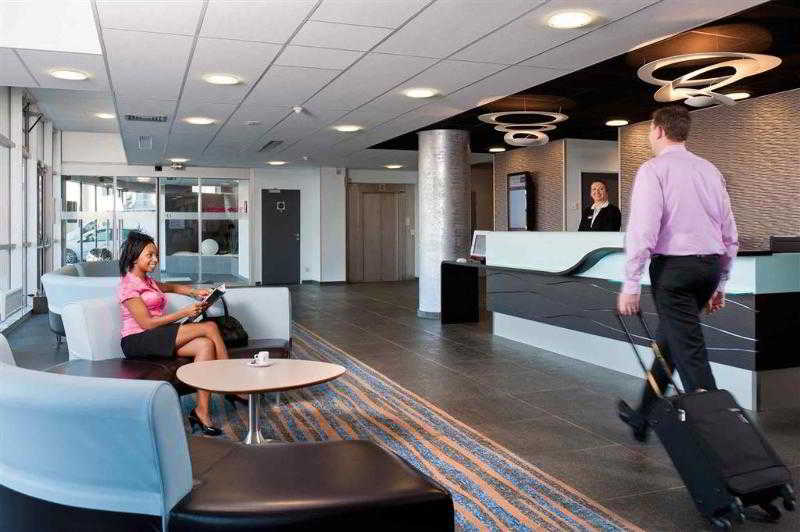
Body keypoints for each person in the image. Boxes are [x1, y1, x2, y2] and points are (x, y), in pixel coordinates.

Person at [616, 105, 739, 442]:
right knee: (671, 341)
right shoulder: (709, 170)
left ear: (658, 130)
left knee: (690, 354)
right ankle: (643, 417)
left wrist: (631, 283)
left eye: (649, 129)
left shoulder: (653, 170)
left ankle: (724, 444)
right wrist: (721, 281)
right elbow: (729, 231)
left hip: (674, 273)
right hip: (708, 269)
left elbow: (643, 230)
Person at [118, 231, 243, 436]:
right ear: (134, 257)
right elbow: (147, 324)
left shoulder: (147, 281)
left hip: (156, 334)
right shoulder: (127, 286)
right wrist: (184, 313)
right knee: (209, 327)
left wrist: (195, 292)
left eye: (156, 255)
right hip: (137, 340)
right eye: (150, 255)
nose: (155, 259)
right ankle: (232, 386)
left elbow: (173, 287)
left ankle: (201, 412)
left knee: (205, 345)